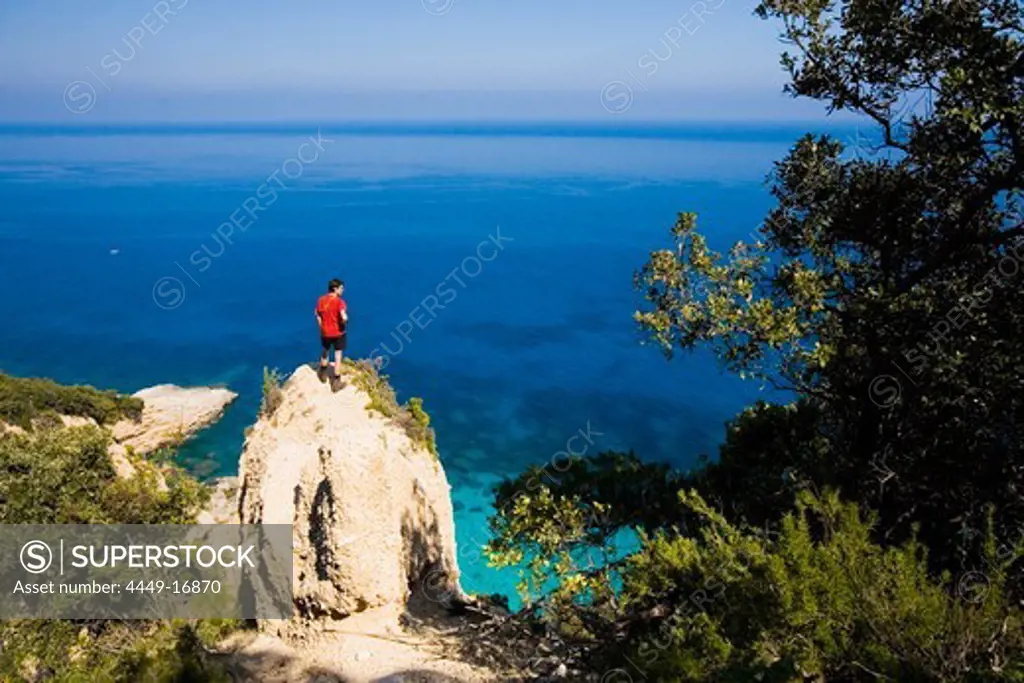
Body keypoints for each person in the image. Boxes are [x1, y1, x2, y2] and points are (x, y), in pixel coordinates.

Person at [315, 278, 348, 380]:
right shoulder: (339, 302)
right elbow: (344, 316)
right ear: (335, 289)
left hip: (325, 332)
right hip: (338, 332)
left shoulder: (321, 300)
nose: (343, 290)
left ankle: (323, 372)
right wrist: (344, 321)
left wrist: (321, 327)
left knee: (325, 350)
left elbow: (317, 315)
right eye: (341, 288)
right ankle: (336, 380)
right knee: (338, 354)